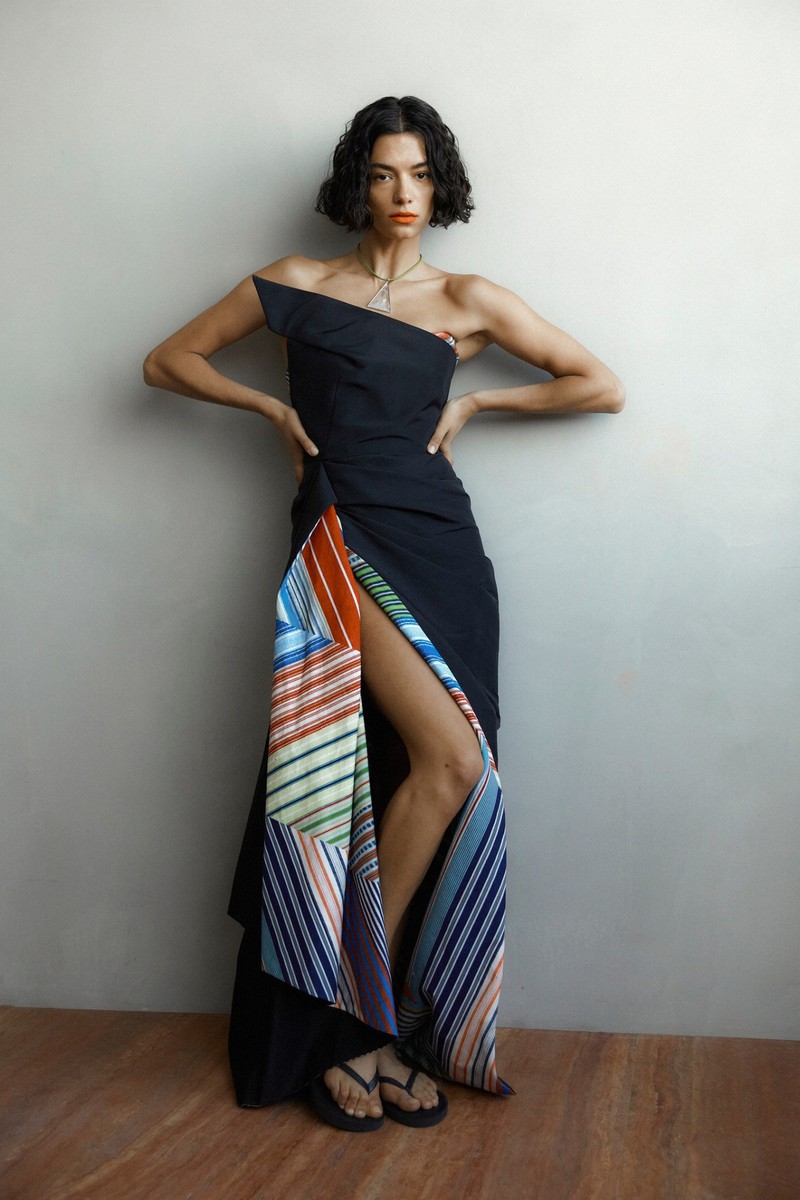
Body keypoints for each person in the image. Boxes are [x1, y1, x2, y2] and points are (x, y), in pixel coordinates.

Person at [143, 95, 624, 1133]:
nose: (403, 194)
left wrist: (478, 401)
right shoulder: (297, 282)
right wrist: (270, 408)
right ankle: (352, 1022)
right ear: (354, 182)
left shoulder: (468, 298)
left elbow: (599, 384)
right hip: (338, 530)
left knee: (442, 770)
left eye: (419, 174)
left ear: (439, 183)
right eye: (382, 173)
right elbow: (166, 360)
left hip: (440, 543)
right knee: (431, 761)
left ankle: (371, 1019)